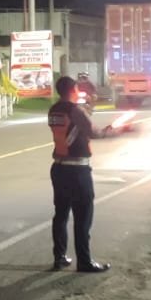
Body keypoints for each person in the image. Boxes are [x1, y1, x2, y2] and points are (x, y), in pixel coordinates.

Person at [47, 75, 110, 274]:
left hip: (59, 168)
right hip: (77, 170)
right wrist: (109, 131)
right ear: (73, 90)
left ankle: (59, 257)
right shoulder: (75, 110)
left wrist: (88, 107)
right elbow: (92, 132)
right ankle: (84, 261)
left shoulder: (54, 109)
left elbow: (74, 125)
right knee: (83, 217)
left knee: (61, 214)